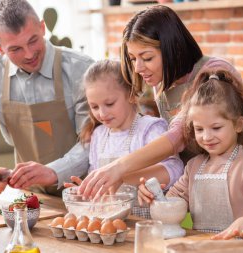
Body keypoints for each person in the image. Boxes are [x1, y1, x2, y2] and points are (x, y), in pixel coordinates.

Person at [78, 5, 243, 198]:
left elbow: (178, 136)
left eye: (147, 57)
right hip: (212, 188)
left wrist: (119, 168)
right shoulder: (162, 85)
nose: (138, 68)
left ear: (172, 48)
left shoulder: (213, 72)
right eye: (133, 59)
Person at [0, 0, 94, 196]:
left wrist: (54, 171)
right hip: (30, 197)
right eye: (15, 49)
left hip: (86, 193)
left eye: (33, 40)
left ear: (42, 27)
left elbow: (95, 141)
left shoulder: (82, 69)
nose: (29, 54)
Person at [138, 69, 243, 239]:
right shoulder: (193, 168)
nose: (207, 136)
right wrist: (154, 198)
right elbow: (172, 205)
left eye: (216, 128)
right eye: (199, 129)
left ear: (238, 124)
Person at [68, 59, 183, 218]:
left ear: (130, 95)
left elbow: (176, 169)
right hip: (111, 227)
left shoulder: (149, 129)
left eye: (109, 104)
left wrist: (124, 178)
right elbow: (99, 182)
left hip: (146, 226)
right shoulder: (99, 135)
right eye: (94, 106)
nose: (102, 114)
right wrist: (86, 191)